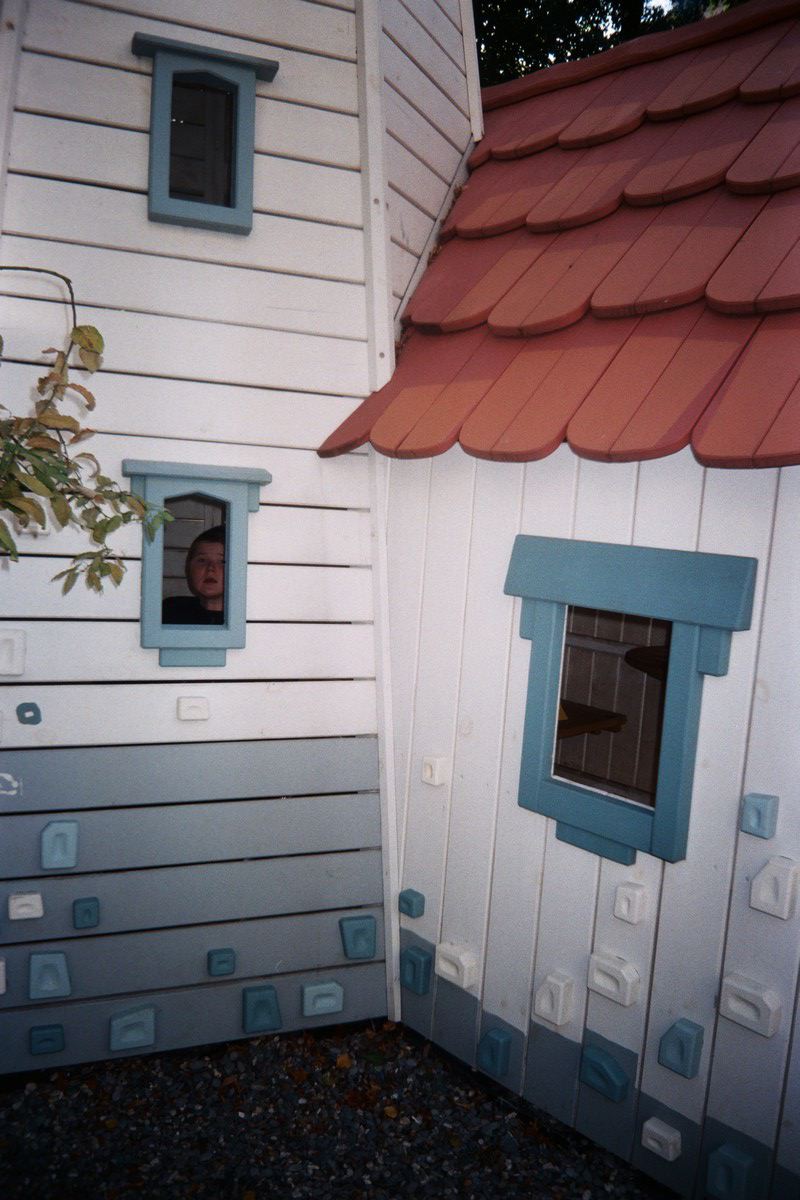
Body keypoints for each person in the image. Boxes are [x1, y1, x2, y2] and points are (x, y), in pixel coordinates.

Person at [162, 525, 226, 624]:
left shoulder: (248, 618)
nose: (210, 569)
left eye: (222, 561)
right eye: (202, 560)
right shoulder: (172, 610)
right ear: (189, 567)